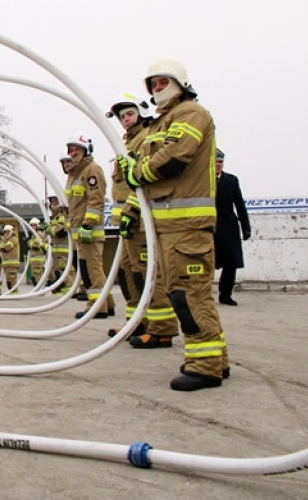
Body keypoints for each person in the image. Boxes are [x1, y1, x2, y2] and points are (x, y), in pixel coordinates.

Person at [119, 59, 228, 391]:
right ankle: (215, 359)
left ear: (180, 83)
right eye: (152, 84)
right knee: (184, 293)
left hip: (187, 227)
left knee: (188, 295)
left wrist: (137, 173)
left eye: (163, 82)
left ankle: (205, 366)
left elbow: (174, 158)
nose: (157, 88)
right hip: (169, 227)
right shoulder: (164, 121)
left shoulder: (190, 114)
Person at [105, 93, 155, 340]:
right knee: (128, 272)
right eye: (122, 116)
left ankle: (157, 326)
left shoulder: (145, 139)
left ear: (141, 114)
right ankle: (135, 322)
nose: (125, 120)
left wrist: (132, 211)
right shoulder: (127, 144)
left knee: (143, 273)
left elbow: (144, 182)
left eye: (130, 114)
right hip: (127, 221)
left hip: (140, 221)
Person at [65, 133, 115, 319]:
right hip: (80, 231)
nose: (73, 153)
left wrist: (87, 225)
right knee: (93, 269)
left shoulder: (91, 170)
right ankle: (108, 304)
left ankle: (97, 306)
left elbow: (96, 200)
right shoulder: (75, 174)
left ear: (86, 151)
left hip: (89, 231)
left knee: (92, 270)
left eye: (76, 149)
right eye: (71, 150)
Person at [214, 149, 251, 305]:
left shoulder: (232, 180)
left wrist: (246, 227)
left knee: (231, 263)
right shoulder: (202, 181)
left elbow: (239, 205)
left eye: (220, 162)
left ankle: (225, 295)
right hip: (209, 226)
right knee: (206, 263)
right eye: (215, 162)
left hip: (228, 227)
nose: (218, 165)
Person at [0, 223, 21, 294]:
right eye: (5, 232)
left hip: (12, 265)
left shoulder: (13, 239)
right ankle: (12, 294)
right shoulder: (6, 240)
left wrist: (2, 245)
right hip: (7, 265)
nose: (6, 234)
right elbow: (1, 247)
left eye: (8, 232)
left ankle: (14, 295)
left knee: (12, 282)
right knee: (9, 282)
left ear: (12, 232)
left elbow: (6, 248)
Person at [25, 217, 46, 286]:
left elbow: (37, 244)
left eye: (34, 225)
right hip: (34, 258)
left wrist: (29, 243)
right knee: (34, 276)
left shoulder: (39, 234)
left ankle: (39, 288)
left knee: (37, 276)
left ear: (37, 225)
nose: (32, 227)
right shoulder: (35, 234)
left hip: (38, 257)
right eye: (31, 225)